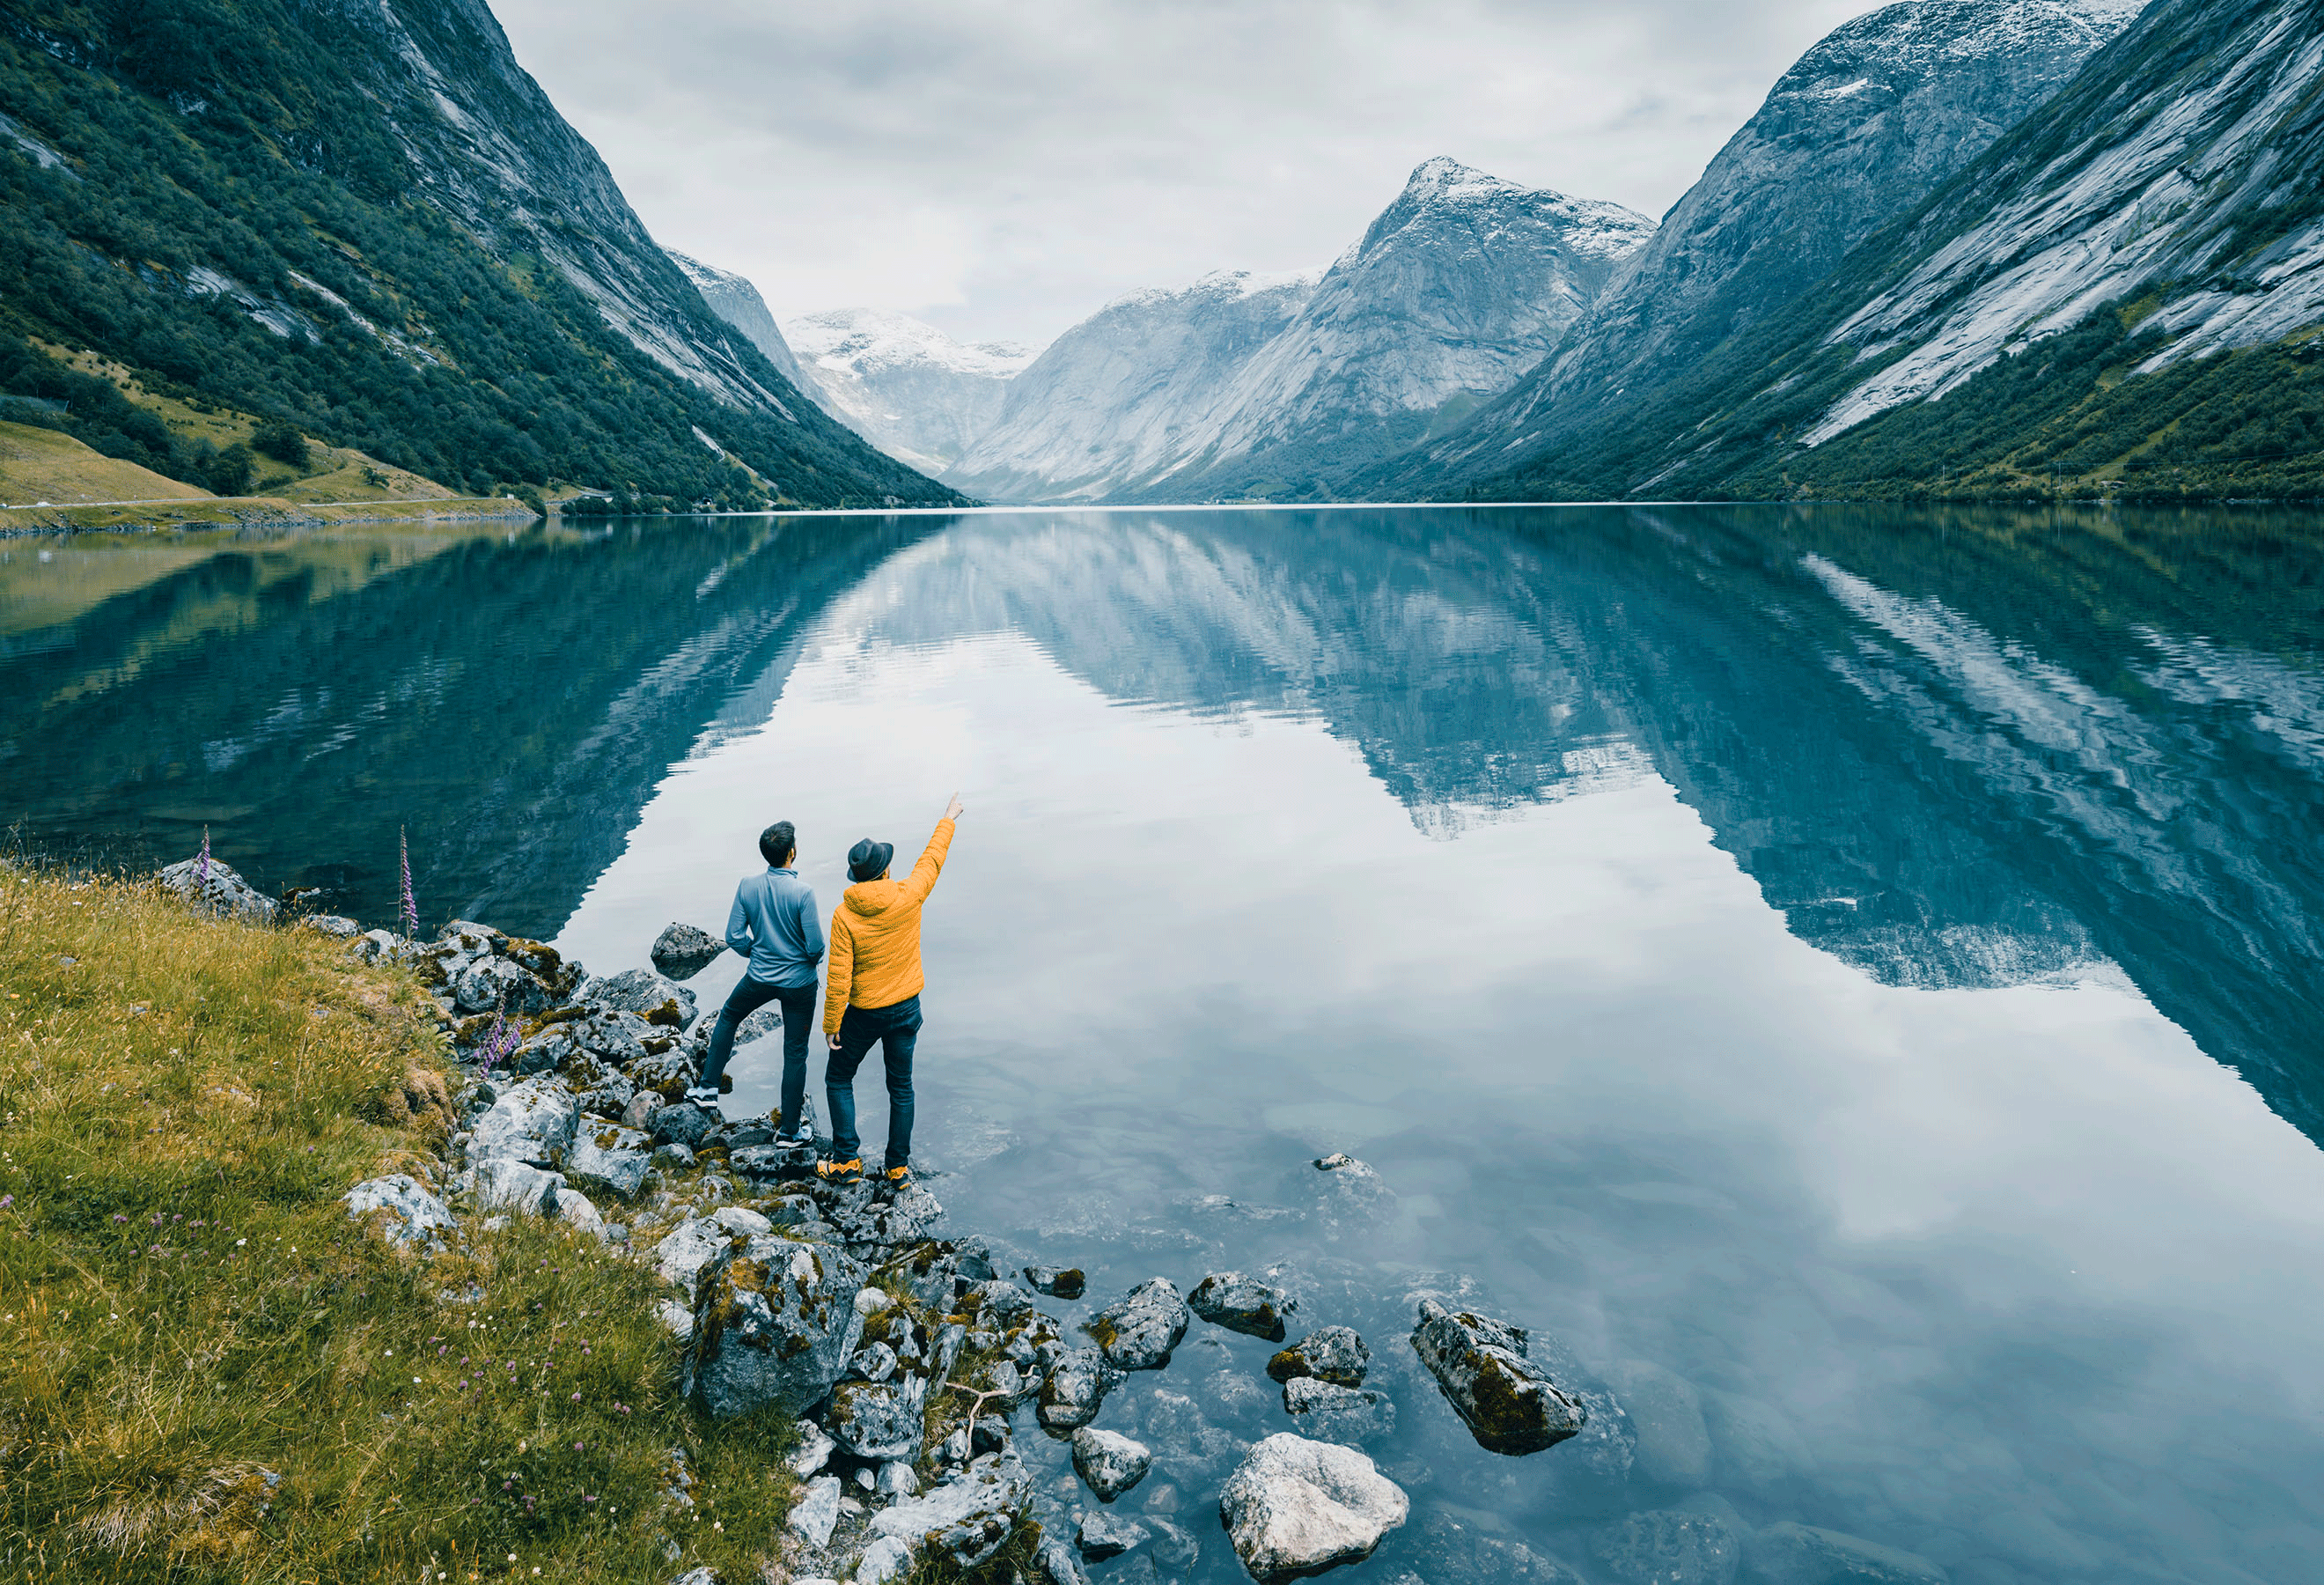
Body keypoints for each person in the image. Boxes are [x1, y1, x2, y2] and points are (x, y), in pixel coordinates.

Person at [820, 792, 964, 1185]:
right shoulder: (908, 895)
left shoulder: (844, 915)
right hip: (906, 1009)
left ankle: (846, 1161)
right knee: (901, 1086)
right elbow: (931, 860)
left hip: (864, 1014)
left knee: (838, 1077)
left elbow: (838, 979)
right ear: (884, 872)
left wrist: (832, 1024)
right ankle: (897, 1167)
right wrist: (948, 817)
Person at [691, 820, 823, 1146]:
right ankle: (790, 1132)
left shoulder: (747, 886)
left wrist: (758, 952)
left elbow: (734, 936)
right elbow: (816, 947)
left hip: (759, 977)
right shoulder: (803, 893)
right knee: (795, 1052)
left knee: (729, 1017)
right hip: (799, 984)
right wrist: (805, 959)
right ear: (792, 853)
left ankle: (708, 1088)